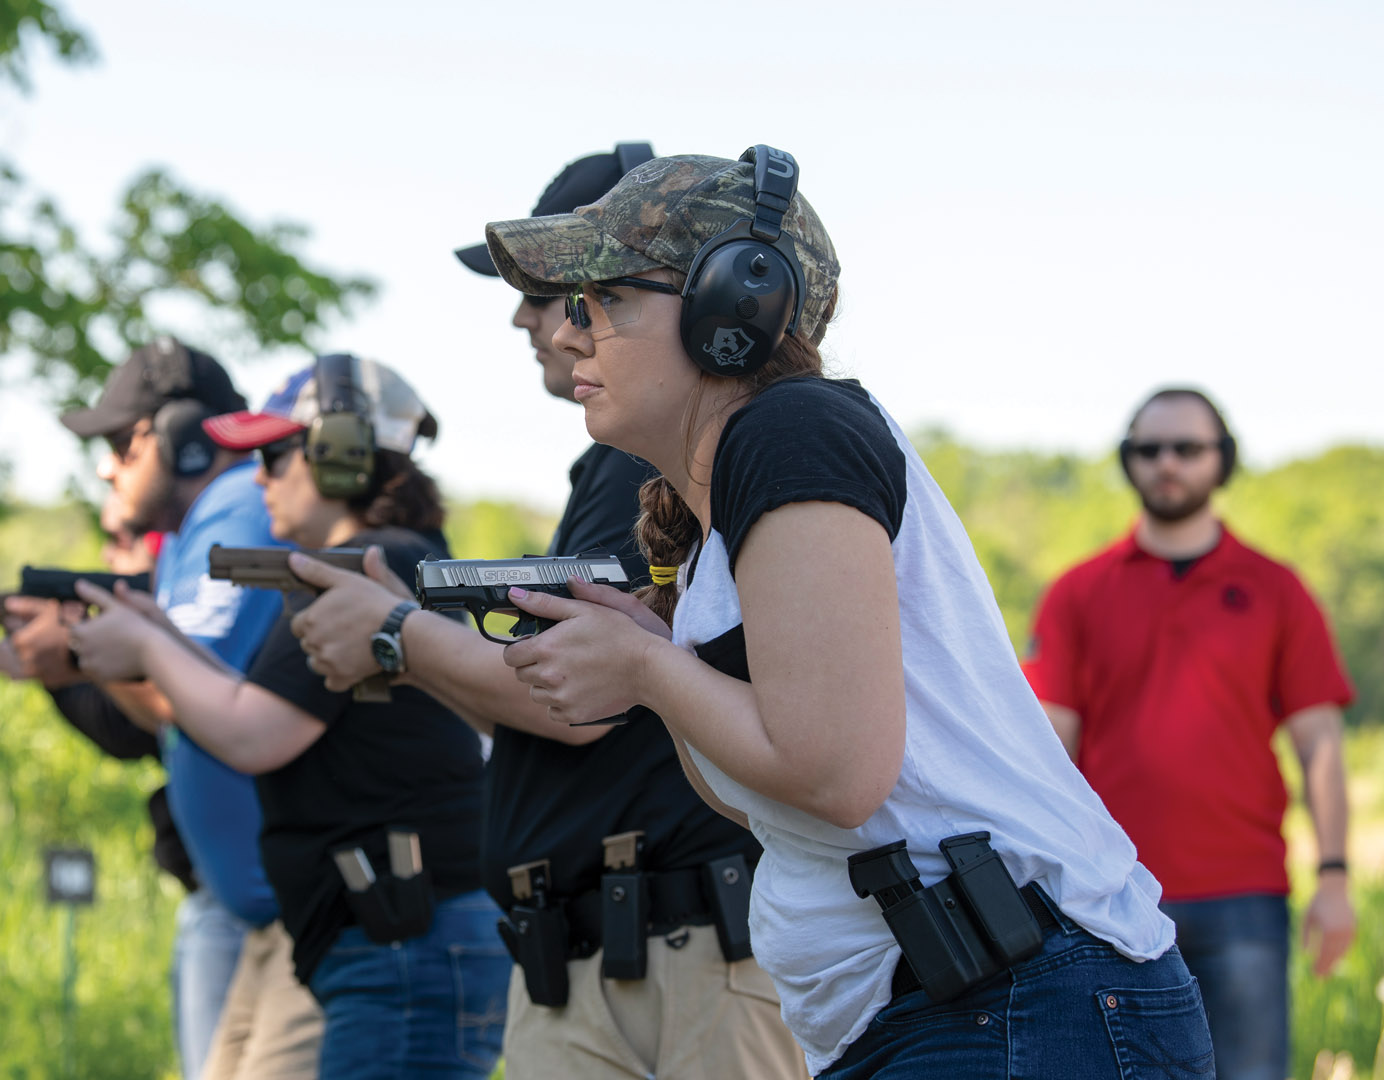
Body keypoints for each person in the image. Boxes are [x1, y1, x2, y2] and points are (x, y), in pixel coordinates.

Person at [478, 146, 1214, 1078]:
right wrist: (659, 657)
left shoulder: (792, 431)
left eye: (605, 299)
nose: (569, 333)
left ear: (730, 309)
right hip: (963, 1006)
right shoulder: (722, 512)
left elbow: (835, 774)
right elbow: (773, 800)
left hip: (1016, 1001)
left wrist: (648, 671)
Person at [287, 145, 805, 1079]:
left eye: (565, 288)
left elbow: (580, 703)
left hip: (678, 952)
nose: (531, 319)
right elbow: (554, 695)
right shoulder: (629, 455)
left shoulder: (653, 452)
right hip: (595, 955)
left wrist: (395, 635)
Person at [66, 355, 509, 1080]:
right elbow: (264, 708)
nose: (258, 475)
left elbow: (254, 732)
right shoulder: (379, 561)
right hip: (385, 933)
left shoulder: (360, 569)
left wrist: (147, 644)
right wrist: (158, 636)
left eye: (273, 454)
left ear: (342, 459)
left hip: (402, 938)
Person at [0, 337, 320, 1080]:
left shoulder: (235, 506)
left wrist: (74, 653)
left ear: (180, 438)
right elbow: (171, 708)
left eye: (121, 443)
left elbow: (188, 693)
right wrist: (75, 661)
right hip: (254, 896)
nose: (107, 467)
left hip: (283, 902)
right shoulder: (202, 525)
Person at [1023, 388, 1356, 1080]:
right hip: (1111, 894)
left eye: (1187, 448)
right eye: (1149, 449)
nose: (1167, 463)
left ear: (1221, 460)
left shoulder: (1276, 590)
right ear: (1129, 462)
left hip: (1245, 896)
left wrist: (1333, 876)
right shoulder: (1077, 593)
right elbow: (1051, 747)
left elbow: (1320, 741)